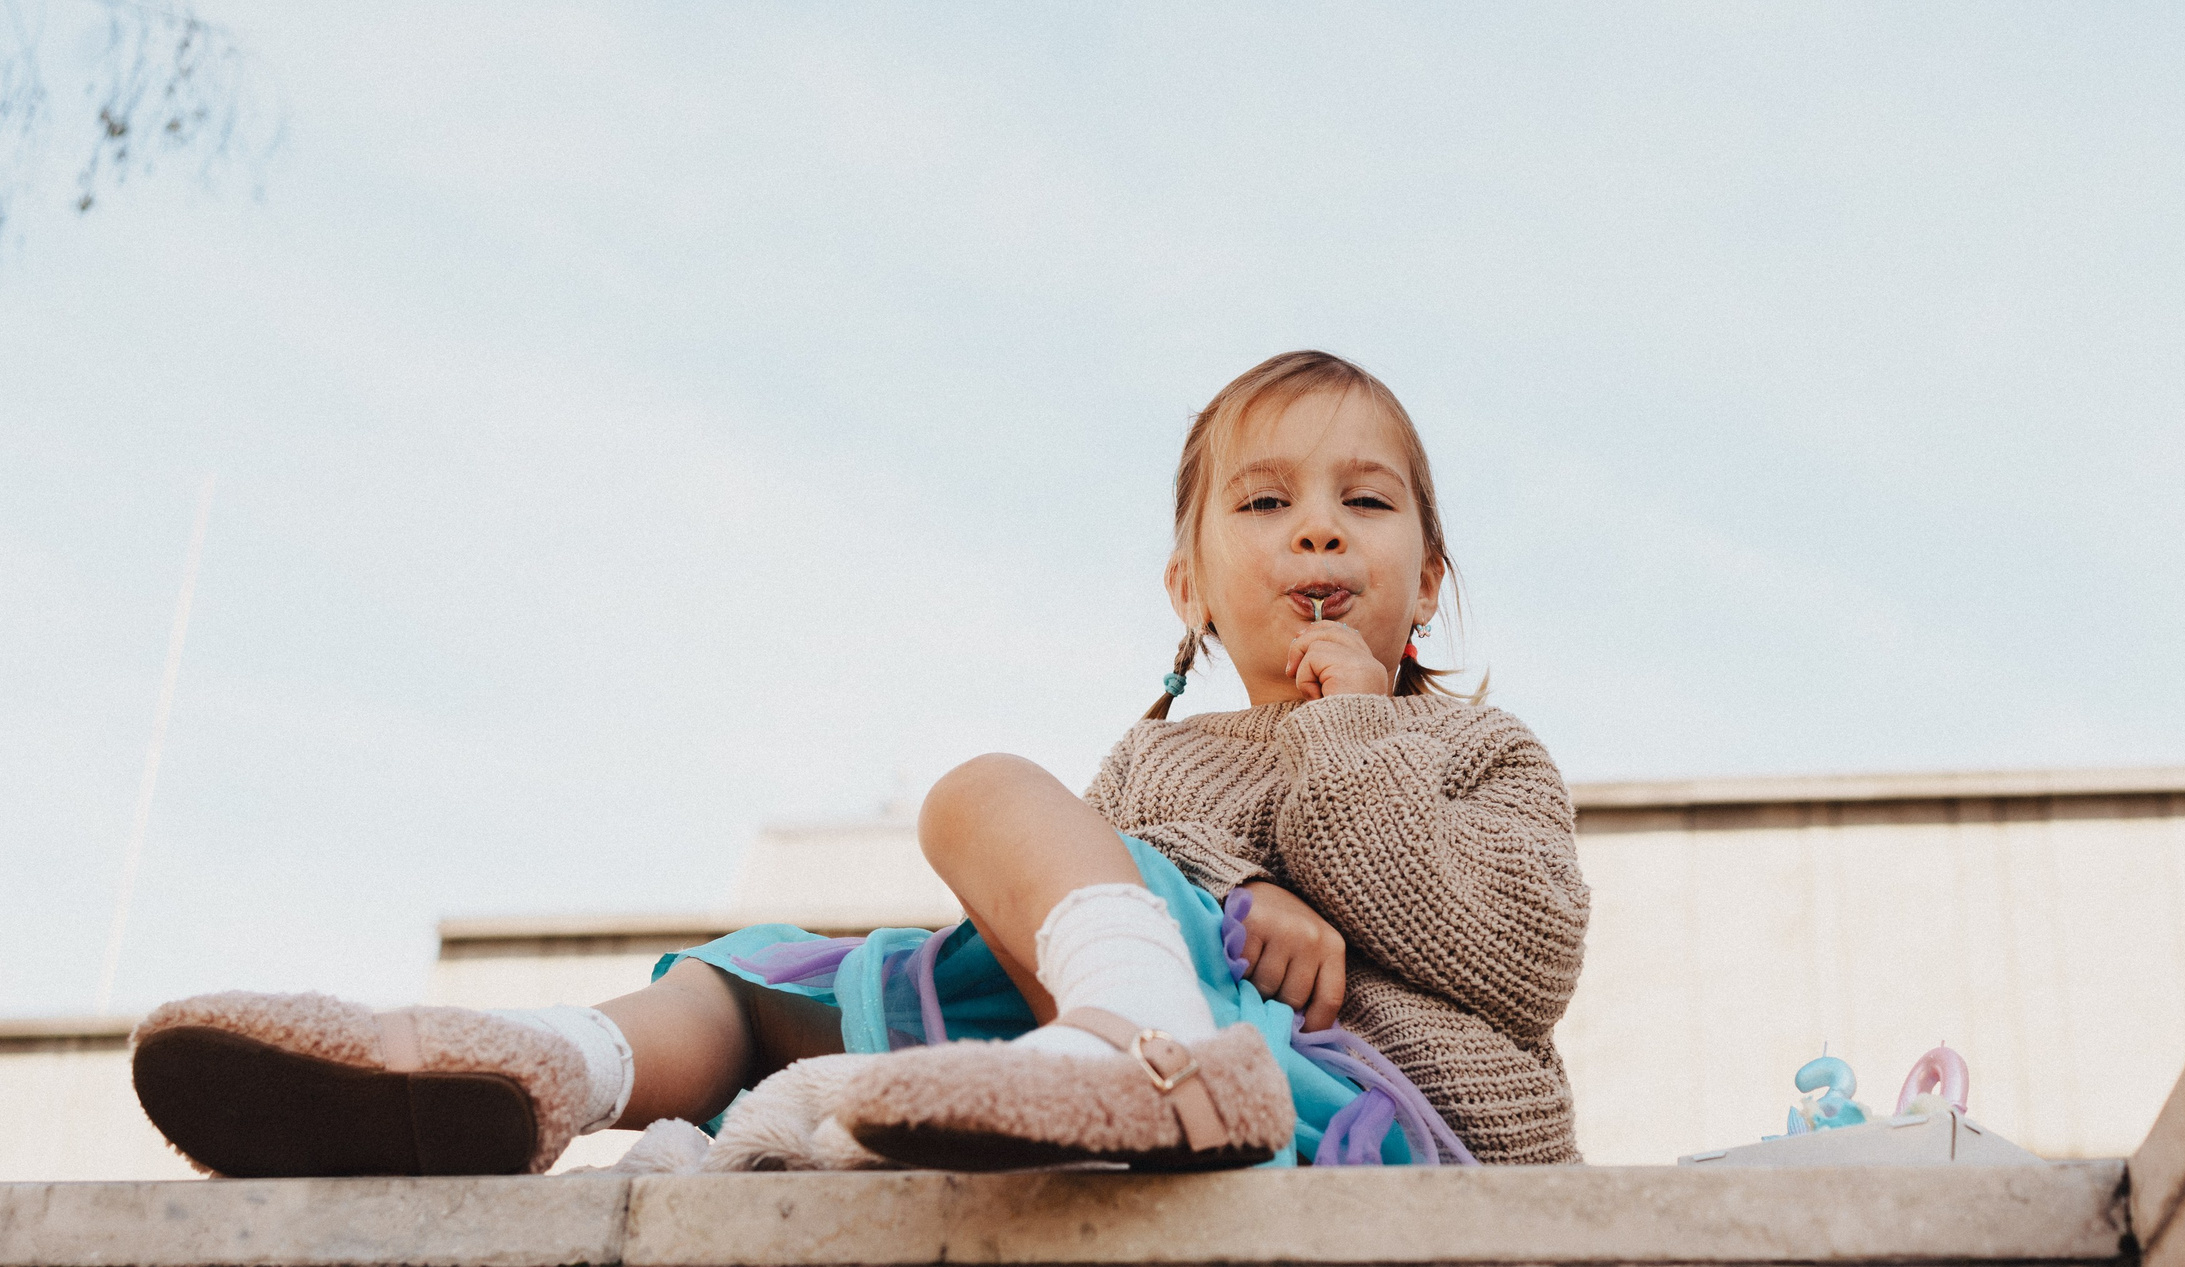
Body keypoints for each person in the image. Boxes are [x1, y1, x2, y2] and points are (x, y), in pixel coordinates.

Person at [132, 351, 1592, 1176]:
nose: (1320, 531)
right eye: (1267, 502)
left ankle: (1150, 1048)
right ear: (1191, 591)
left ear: (1432, 576)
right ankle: (536, 1068)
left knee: (1044, 847)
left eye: (1366, 502)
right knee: (801, 940)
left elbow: (1515, 957)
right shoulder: (1157, 771)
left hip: (1369, 1119)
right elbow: (1089, 900)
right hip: (1124, 1031)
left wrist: (1345, 735)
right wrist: (1226, 894)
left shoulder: (1471, 746)